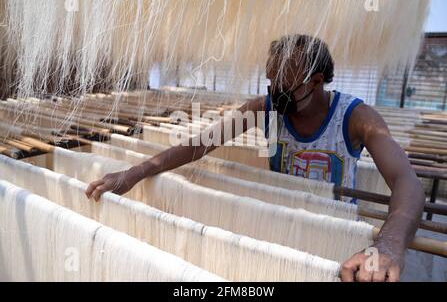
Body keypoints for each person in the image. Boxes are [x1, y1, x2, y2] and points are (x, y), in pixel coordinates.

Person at [86, 34, 425, 282]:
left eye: (283, 83)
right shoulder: (265, 109)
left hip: (334, 238)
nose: (273, 91)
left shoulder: (355, 117)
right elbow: (197, 146)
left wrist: (390, 244)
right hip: (281, 230)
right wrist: (134, 173)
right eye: (269, 80)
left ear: (316, 81)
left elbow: (405, 180)